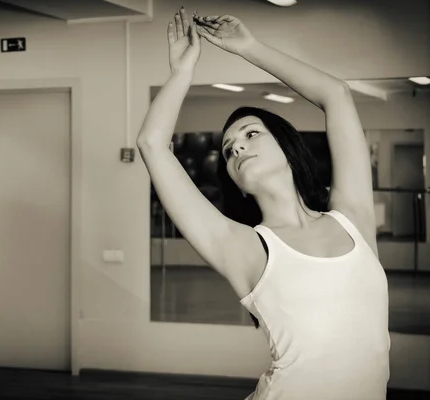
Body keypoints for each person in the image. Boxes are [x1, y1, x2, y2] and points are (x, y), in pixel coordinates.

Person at [136, 7, 389, 400]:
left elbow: (335, 94)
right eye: (228, 150)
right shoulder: (244, 247)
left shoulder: (352, 217)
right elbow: (152, 145)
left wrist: (248, 47)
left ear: (287, 148)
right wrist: (182, 73)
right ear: (235, 183)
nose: (237, 146)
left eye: (251, 134)